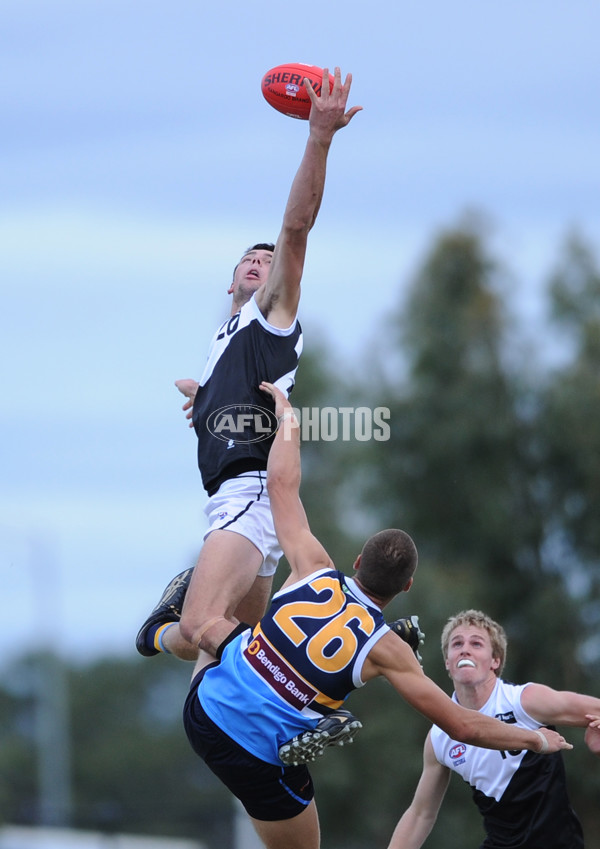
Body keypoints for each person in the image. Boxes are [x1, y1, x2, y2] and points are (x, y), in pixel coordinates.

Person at [181, 383, 573, 849]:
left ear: (359, 561)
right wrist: (535, 741)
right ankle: (294, 713)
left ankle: (168, 632)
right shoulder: (388, 649)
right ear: (407, 587)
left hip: (202, 713)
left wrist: (287, 417)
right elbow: (462, 725)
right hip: (254, 754)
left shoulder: (313, 567)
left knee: (222, 625)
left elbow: (282, 484)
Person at [135, 67, 364, 665]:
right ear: (231, 277)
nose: (262, 263)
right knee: (219, 639)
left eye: (269, 262)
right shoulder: (226, 339)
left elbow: (294, 228)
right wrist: (207, 394)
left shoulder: (270, 315)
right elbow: (237, 398)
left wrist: (319, 138)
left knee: (200, 625)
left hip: (250, 491)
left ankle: (284, 699)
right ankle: (166, 632)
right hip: (238, 497)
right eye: (250, 259)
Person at [387, 609, 600, 849]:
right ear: (448, 662)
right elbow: (420, 815)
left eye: (476, 643)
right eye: (457, 644)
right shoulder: (439, 737)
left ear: (495, 661)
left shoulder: (525, 701)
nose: (465, 649)